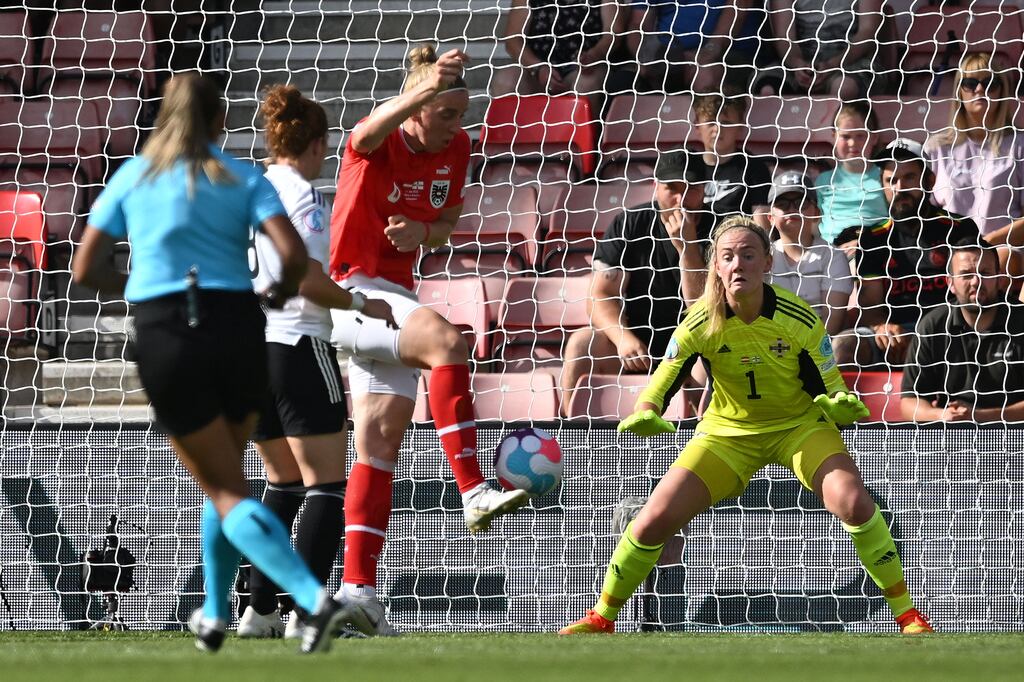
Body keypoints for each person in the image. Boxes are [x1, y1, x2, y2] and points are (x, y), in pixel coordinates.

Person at [70, 72, 347, 654]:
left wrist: (138, 283)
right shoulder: (243, 176)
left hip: (169, 332)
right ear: (221, 122)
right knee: (224, 482)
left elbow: (84, 270)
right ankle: (217, 614)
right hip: (243, 332)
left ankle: (311, 598)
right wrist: (270, 297)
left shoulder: (135, 177)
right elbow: (293, 256)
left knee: (224, 487)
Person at [559, 216, 933, 635]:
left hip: (798, 427)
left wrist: (841, 402)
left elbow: (829, 382)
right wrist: (647, 409)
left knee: (854, 502)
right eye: (728, 256)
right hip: (726, 435)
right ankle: (602, 617)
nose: (738, 265)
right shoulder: (701, 321)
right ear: (716, 267)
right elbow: (665, 377)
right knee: (649, 522)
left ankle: (908, 615)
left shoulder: (800, 318)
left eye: (749, 255)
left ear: (767, 264)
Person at [327, 45, 530, 635]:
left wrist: (424, 231)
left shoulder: (458, 147)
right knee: (447, 341)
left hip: (391, 298)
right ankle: (472, 490)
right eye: (446, 111)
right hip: (350, 291)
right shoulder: (376, 140)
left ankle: (358, 590)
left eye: (462, 112)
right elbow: (366, 132)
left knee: (379, 442)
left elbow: (443, 224)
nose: (456, 125)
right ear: (416, 106)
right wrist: (421, 89)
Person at [237, 85, 397, 639]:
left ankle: (259, 611)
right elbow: (304, 276)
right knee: (327, 483)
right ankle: (307, 612)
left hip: (249, 350)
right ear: (319, 143)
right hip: (298, 345)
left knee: (281, 483)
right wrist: (358, 301)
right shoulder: (302, 197)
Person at [560, 150, 706, 415]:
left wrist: (688, 249)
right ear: (655, 187)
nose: (681, 198)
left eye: (690, 189)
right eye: (672, 188)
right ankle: (570, 434)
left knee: (707, 364)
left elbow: (702, 307)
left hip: (695, 344)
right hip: (639, 345)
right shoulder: (630, 223)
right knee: (582, 344)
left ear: (704, 191)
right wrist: (623, 338)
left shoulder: (720, 226)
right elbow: (599, 296)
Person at [833, 138, 980, 368]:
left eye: (909, 177)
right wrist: (882, 327)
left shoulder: (960, 228)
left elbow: (973, 294)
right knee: (845, 345)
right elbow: (870, 305)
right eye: (891, 180)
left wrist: (924, 335)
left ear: (929, 181)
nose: (899, 188)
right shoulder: (873, 238)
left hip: (950, 332)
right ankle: (840, 405)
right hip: (895, 336)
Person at [926, 53, 1024, 286]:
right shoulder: (936, 147)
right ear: (959, 91)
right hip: (949, 253)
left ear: (1002, 91)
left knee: (1003, 259)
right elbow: (925, 213)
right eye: (970, 83)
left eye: (990, 83)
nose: (980, 89)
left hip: (1002, 251)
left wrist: (987, 243)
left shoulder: (1019, 144)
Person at [901, 239, 1024, 423]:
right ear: (950, 283)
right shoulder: (933, 326)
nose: (976, 281)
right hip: (951, 436)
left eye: (985, 273)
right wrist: (943, 415)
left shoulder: (1020, 320)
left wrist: (980, 417)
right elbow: (909, 402)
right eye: (966, 274)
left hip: (1015, 435)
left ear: (999, 278)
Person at [491, 0, 623, 114]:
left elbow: (613, 34)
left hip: (584, 67)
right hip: (536, 70)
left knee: (586, 84)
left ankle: (584, 141)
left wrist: (593, 55)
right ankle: (515, 141)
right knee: (506, 81)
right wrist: (537, 68)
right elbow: (513, 40)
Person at [766, 170, 854, 336]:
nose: (792, 209)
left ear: (816, 213)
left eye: (801, 203)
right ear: (770, 217)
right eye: (782, 204)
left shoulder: (832, 256)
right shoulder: (762, 257)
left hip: (818, 348)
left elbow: (831, 322)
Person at [627, 0, 762, 94]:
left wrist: (710, 50)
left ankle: (701, 134)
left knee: (704, 76)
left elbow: (740, 6)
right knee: (622, 82)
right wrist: (644, 58)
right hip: (668, 55)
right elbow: (638, 25)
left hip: (728, 54)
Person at [766, 0, 886, 98]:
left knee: (844, 88)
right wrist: (798, 65)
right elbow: (783, 35)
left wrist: (832, 64)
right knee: (768, 88)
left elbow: (868, 31)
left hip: (852, 60)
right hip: (800, 60)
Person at [691, 94, 772, 237]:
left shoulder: (753, 167)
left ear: (740, 126)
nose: (717, 129)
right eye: (710, 122)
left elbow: (762, 226)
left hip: (738, 246)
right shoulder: (687, 166)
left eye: (726, 123)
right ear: (697, 126)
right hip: (696, 244)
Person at [815, 101, 888, 252]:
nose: (853, 143)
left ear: (874, 138)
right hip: (831, 254)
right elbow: (813, 227)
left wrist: (865, 244)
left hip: (874, 250)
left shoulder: (885, 177)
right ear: (834, 137)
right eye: (845, 136)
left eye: (860, 136)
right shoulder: (823, 181)